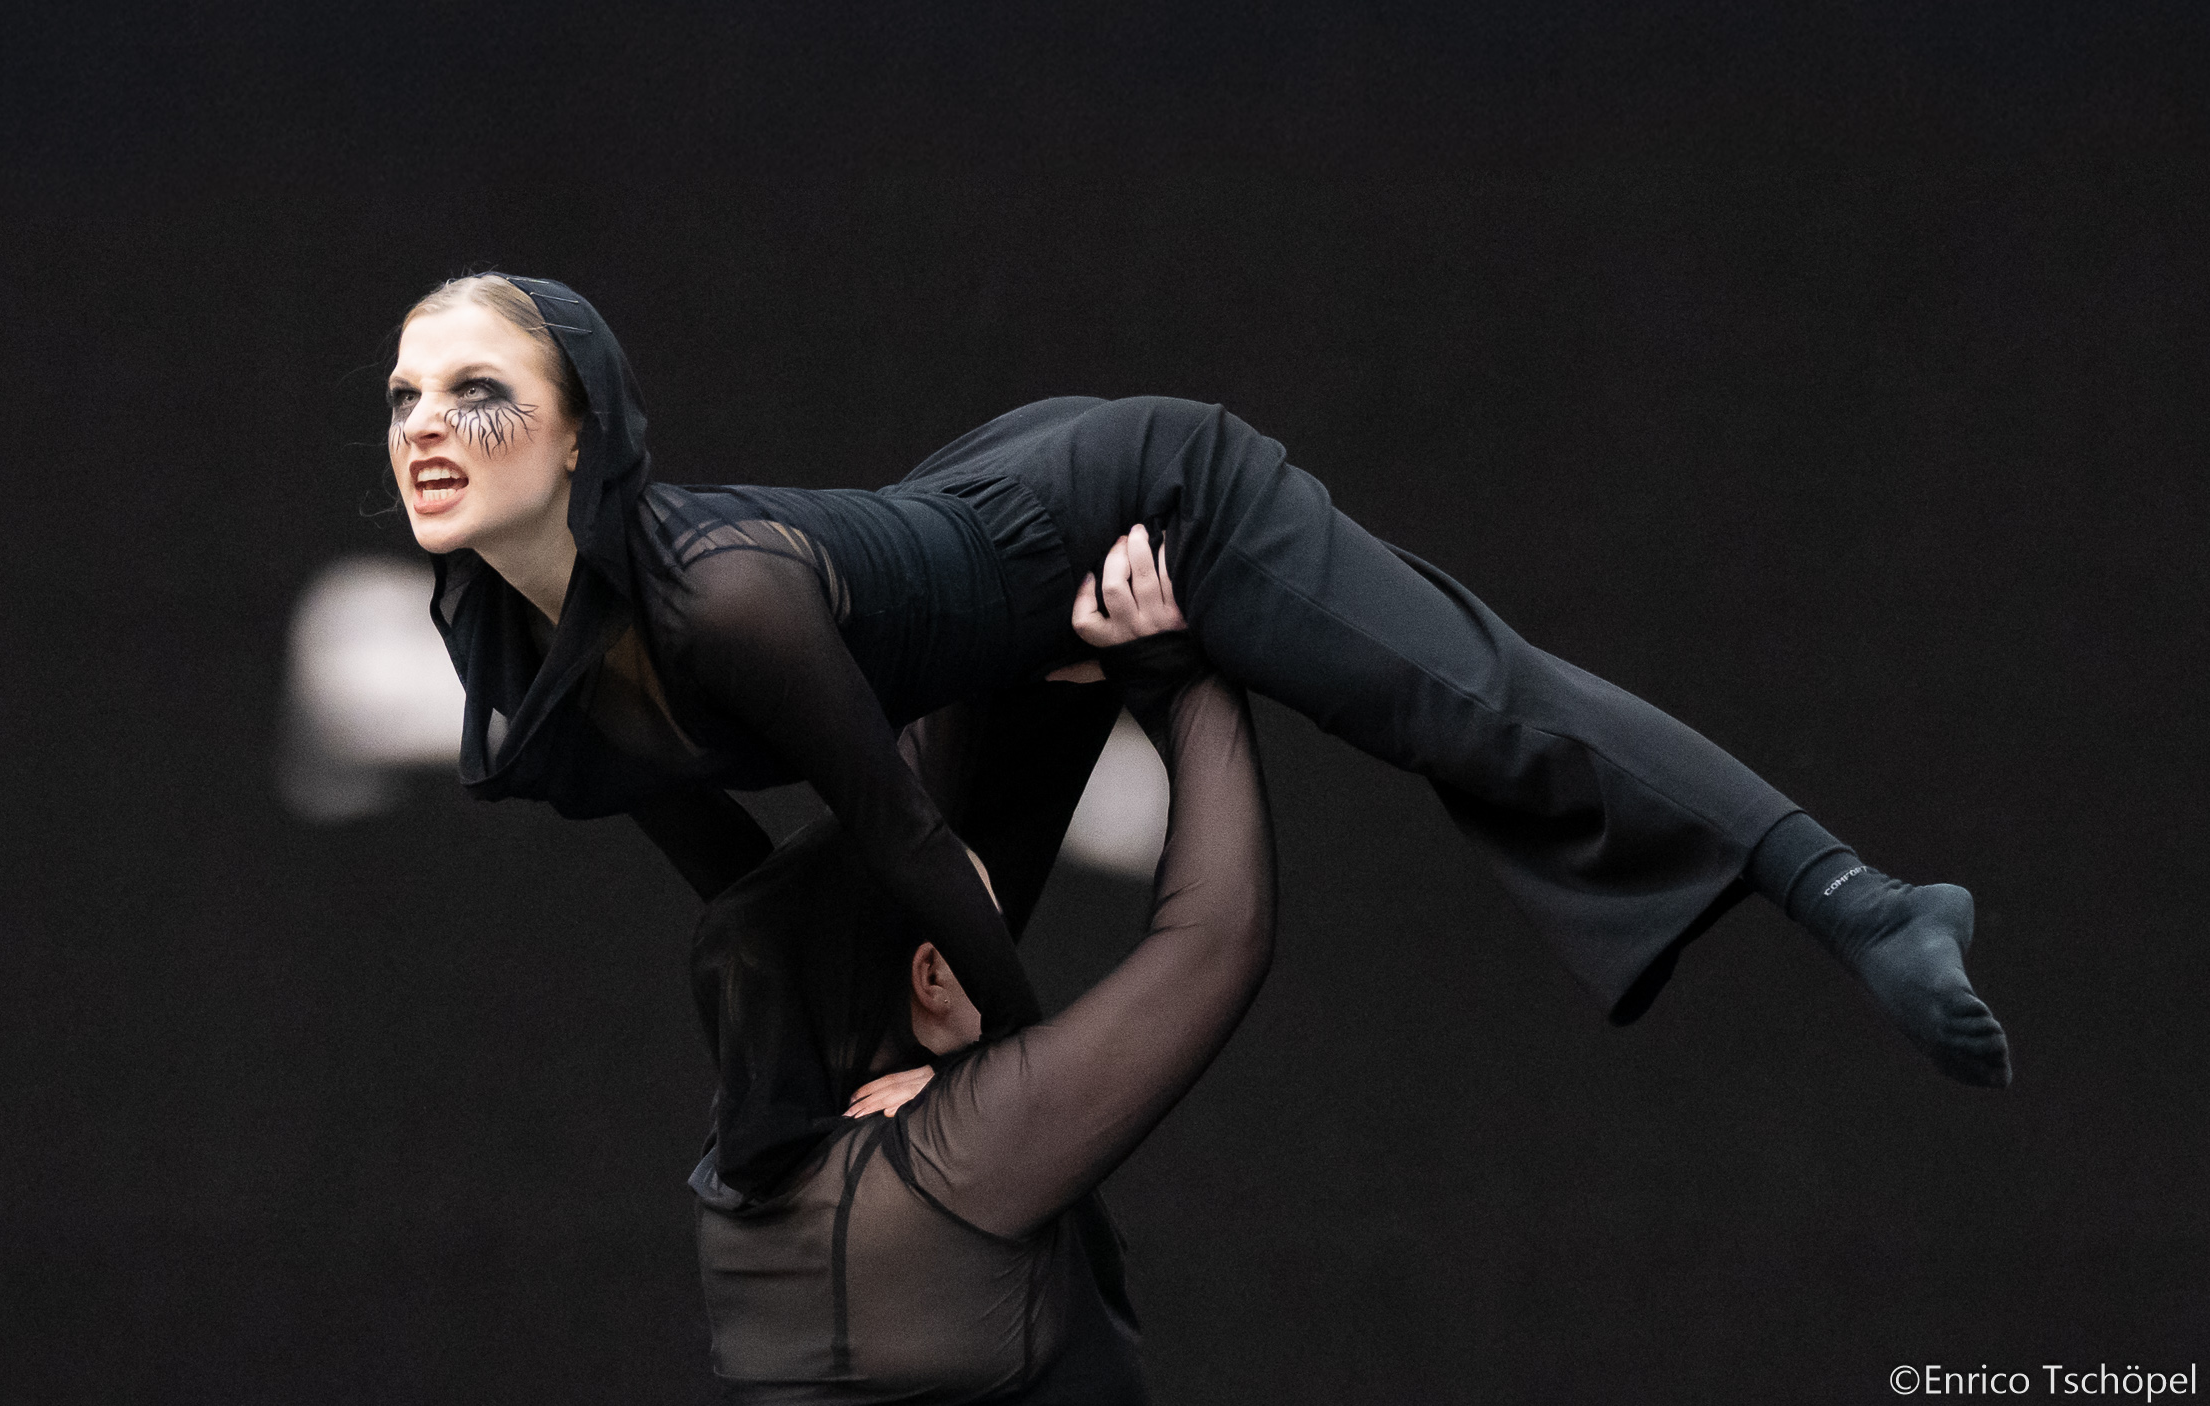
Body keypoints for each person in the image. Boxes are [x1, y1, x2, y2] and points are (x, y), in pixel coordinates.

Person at [387, 271, 2010, 1087]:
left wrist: (1017, 1104)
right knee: (877, 1038)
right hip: (980, 562)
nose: (426, 428)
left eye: (477, 390)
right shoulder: (519, 665)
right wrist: (846, 1039)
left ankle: (1863, 900)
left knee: (1465, 701)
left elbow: (909, 843)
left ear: (585, 430)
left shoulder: (727, 601)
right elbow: (749, 888)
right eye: (403, 396)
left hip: (1129, 504)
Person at [689, 537, 1264, 1402]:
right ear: (929, 978)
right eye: (985, 907)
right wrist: (1180, 673)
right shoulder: (958, 1164)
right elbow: (1218, 936)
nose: (1003, 925)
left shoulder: (740, 1178)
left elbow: (893, 837)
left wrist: (1016, 643)